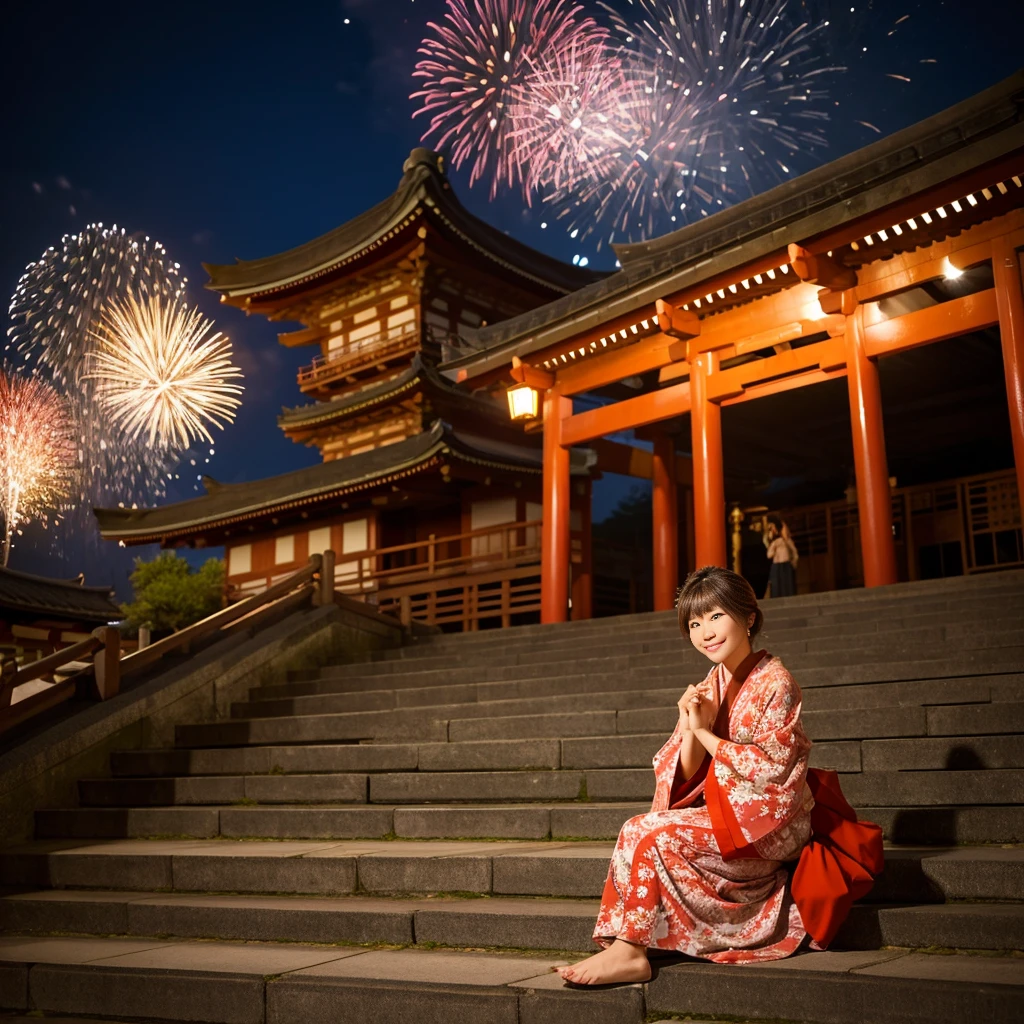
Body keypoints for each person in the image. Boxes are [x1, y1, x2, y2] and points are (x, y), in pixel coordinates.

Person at [556, 566, 881, 987]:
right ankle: (628, 947)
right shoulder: (712, 682)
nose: (705, 632)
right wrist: (691, 724)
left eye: (715, 617)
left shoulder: (776, 683)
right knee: (636, 828)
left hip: (769, 825)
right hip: (727, 815)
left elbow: (769, 771)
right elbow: (682, 776)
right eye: (694, 623)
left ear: (748, 616)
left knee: (654, 835)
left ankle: (631, 950)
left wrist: (707, 734)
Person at [765, 516, 798, 598]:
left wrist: (794, 561)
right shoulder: (774, 543)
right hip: (777, 565)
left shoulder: (787, 541)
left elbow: (794, 552)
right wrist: (774, 546)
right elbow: (769, 555)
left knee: (787, 585)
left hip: (786, 564)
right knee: (777, 586)